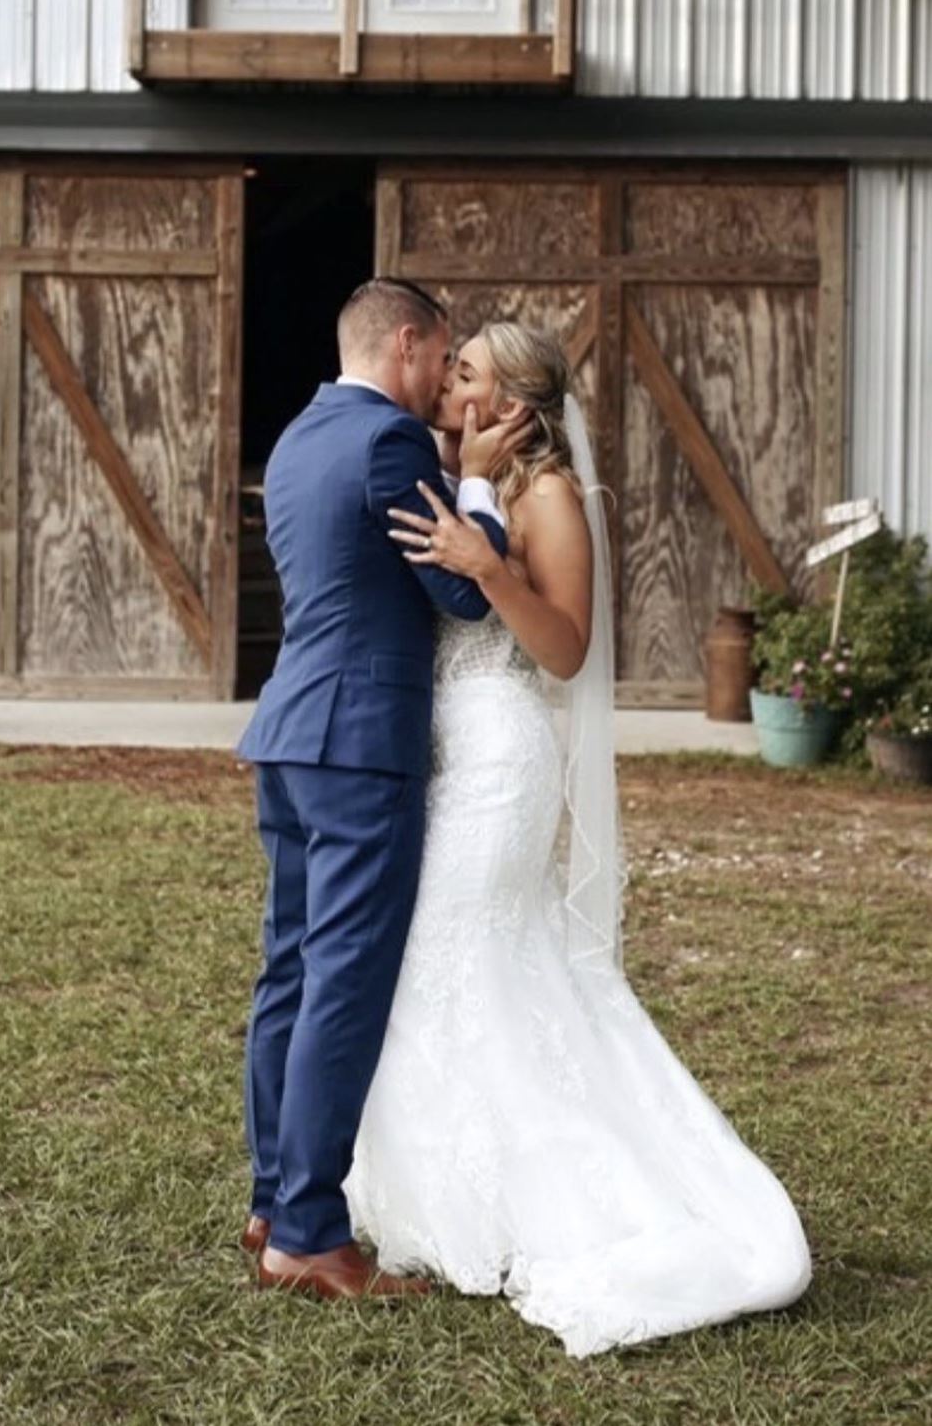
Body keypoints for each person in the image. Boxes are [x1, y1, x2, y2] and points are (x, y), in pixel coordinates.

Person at [343, 318, 813, 1357]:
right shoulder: (454, 473)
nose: (444, 382)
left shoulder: (552, 499)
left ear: (513, 403)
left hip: (504, 757)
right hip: (444, 751)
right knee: (455, 961)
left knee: (454, 951)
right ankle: (439, 1186)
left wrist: (490, 568)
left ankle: (545, 1200)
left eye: (464, 372)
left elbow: (565, 650)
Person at [236, 279, 528, 1300]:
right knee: (344, 981)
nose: (445, 381)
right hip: (361, 740)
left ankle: (274, 1201)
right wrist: (481, 486)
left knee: (289, 972)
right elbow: (460, 590)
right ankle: (312, 1233)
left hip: (289, 730)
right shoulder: (389, 445)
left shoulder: (299, 438)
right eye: (443, 360)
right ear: (405, 344)